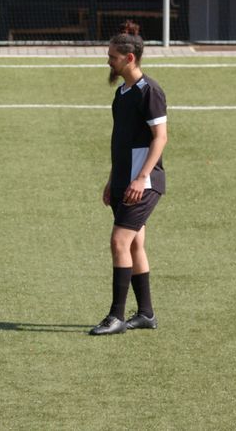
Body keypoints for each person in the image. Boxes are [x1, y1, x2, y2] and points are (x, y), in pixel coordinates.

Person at [89, 21, 168, 336]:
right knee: (135, 244)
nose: (108, 61)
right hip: (124, 180)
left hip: (143, 184)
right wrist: (113, 180)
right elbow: (121, 141)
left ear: (129, 58)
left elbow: (160, 138)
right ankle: (146, 314)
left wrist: (141, 178)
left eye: (112, 56)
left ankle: (116, 316)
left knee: (119, 241)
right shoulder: (122, 93)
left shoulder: (150, 91)